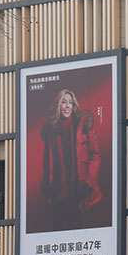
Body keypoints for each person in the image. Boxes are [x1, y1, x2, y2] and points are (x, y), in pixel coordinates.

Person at [39, 88, 102, 228]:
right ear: (58, 105)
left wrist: (89, 182)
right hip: (57, 194)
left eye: (70, 103)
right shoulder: (50, 130)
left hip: (78, 192)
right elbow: (48, 162)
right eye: (64, 102)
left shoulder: (82, 126)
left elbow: (95, 155)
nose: (67, 106)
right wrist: (46, 187)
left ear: (74, 106)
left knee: (77, 229)